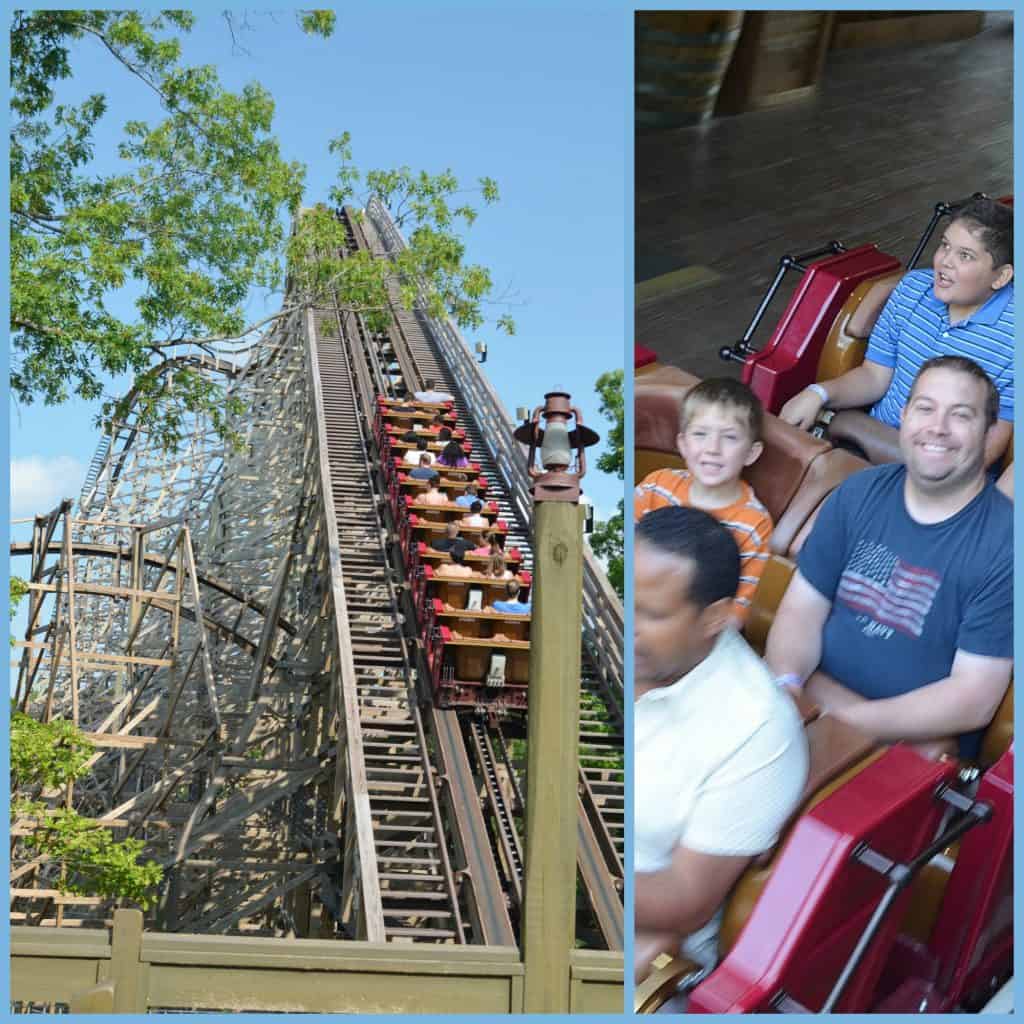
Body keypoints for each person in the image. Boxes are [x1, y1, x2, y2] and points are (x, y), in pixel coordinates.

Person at [766, 356, 1013, 760]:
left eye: (961, 415)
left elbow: (973, 698)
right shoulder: (857, 492)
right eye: (925, 408)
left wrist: (840, 722)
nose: (938, 427)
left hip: (903, 749)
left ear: (988, 434)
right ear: (905, 415)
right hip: (803, 701)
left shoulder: (1006, 544)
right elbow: (800, 610)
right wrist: (788, 687)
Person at [634, 506, 807, 985]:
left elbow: (686, 899)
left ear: (714, 618)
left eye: (651, 614)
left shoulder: (757, 728)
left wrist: (564, 879)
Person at [780, 198, 1014, 467]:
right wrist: (817, 394)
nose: (944, 262)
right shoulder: (912, 289)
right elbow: (874, 377)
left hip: (940, 466)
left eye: (965, 255)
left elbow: (991, 443)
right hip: (870, 439)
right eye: (945, 246)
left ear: (1001, 277)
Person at [634, 378, 773, 624]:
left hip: (699, 636)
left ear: (751, 453)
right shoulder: (656, 486)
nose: (713, 448)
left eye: (730, 437)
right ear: (683, 444)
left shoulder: (754, 524)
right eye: (700, 434)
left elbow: (737, 613)